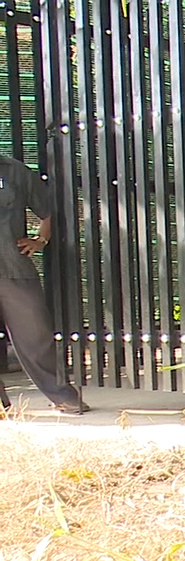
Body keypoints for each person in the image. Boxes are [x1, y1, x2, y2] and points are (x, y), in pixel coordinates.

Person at [0, 154, 89, 415]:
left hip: (13, 268)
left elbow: (47, 209)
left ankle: (63, 395)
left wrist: (40, 240)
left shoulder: (14, 170)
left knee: (36, 334)